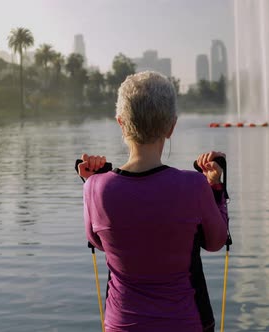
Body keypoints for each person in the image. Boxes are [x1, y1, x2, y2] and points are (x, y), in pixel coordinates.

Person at [78, 71, 229, 332]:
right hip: (183, 323)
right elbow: (216, 241)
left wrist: (91, 183)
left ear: (121, 123)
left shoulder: (95, 187)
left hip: (121, 324)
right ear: (171, 126)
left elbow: (99, 242)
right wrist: (215, 187)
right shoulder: (194, 186)